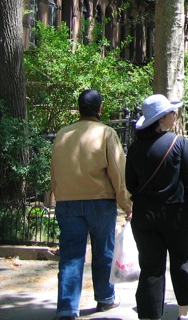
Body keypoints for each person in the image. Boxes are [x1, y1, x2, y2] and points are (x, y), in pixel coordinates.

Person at [125, 94, 188, 320]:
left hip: (145, 216)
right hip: (177, 215)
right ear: (161, 119)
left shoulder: (135, 148)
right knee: (183, 261)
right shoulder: (179, 144)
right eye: (172, 112)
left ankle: (150, 316)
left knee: (151, 267)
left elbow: (130, 184)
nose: (175, 115)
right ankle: (184, 314)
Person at [51, 89, 132, 320]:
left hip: (67, 202)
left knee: (70, 255)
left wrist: (58, 195)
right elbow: (118, 171)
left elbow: (54, 171)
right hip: (100, 201)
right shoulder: (106, 133)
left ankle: (67, 308)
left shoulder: (62, 134)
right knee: (103, 251)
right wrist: (127, 204)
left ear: (79, 108)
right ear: (100, 109)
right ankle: (105, 298)